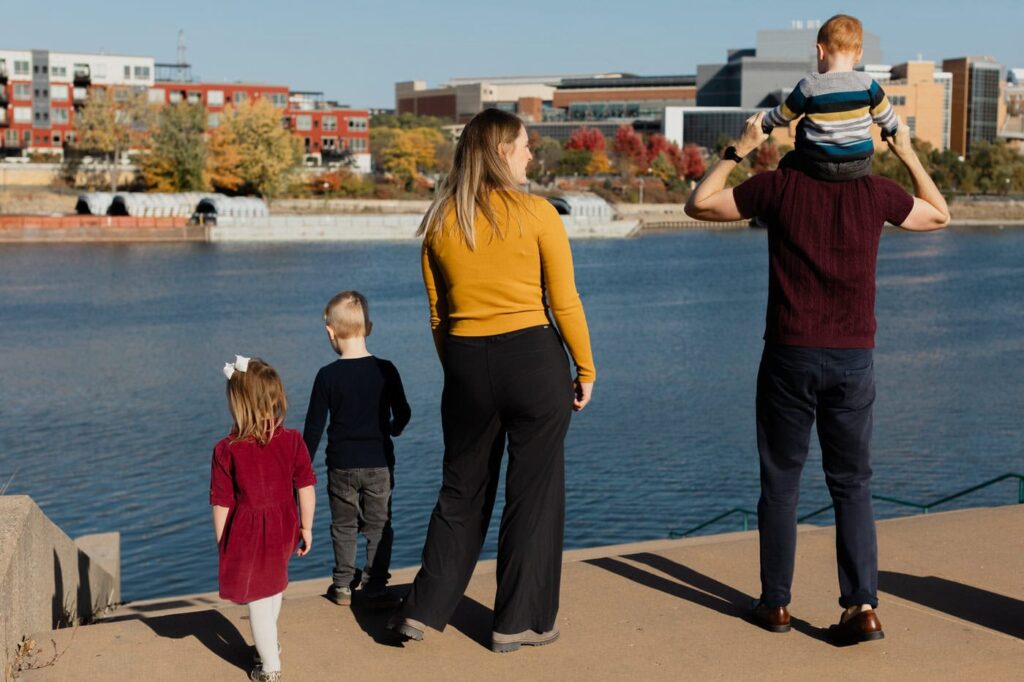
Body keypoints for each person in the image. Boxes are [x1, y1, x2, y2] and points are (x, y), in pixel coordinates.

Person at [685, 113, 949, 644]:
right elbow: (940, 215)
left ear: (803, 147)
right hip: (853, 359)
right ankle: (862, 606)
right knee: (852, 486)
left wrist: (740, 147)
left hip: (790, 354)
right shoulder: (877, 193)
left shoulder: (779, 186)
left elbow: (698, 203)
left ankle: (776, 605)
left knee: (781, 483)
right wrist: (907, 153)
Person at [391, 108, 596, 654]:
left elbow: (439, 317)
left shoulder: (439, 222)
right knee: (534, 494)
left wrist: (460, 372)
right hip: (533, 360)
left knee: (462, 489)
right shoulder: (537, 214)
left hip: (464, 363)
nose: (532, 154)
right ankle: (518, 623)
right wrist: (586, 367)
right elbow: (564, 301)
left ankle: (424, 608)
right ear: (503, 151)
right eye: (526, 145)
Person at [211, 355, 317, 682]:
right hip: (285, 525)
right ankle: (267, 644)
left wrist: (222, 543)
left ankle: (270, 668)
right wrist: (307, 526)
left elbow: (221, 503)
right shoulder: (293, 440)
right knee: (273, 586)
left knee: (257, 598)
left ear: (238, 404)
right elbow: (307, 485)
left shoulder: (227, 449)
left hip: (247, 533)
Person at [302, 291, 410, 609]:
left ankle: (342, 585)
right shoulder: (386, 370)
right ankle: (375, 585)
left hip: (340, 465)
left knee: (344, 525)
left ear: (330, 332)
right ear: (370, 327)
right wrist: (394, 428)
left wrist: (302, 468)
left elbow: (313, 428)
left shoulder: (326, 376)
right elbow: (403, 412)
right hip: (378, 463)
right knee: (379, 525)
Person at [760, 14, 899, 182]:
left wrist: (765, 122)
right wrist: (888, 131)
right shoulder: (868, 84)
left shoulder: (810, 84)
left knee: (791, 155)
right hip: (859, 166)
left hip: (818, 164)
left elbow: (784, 114)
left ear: (820, 51)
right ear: (859, 55)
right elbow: (889, 119)